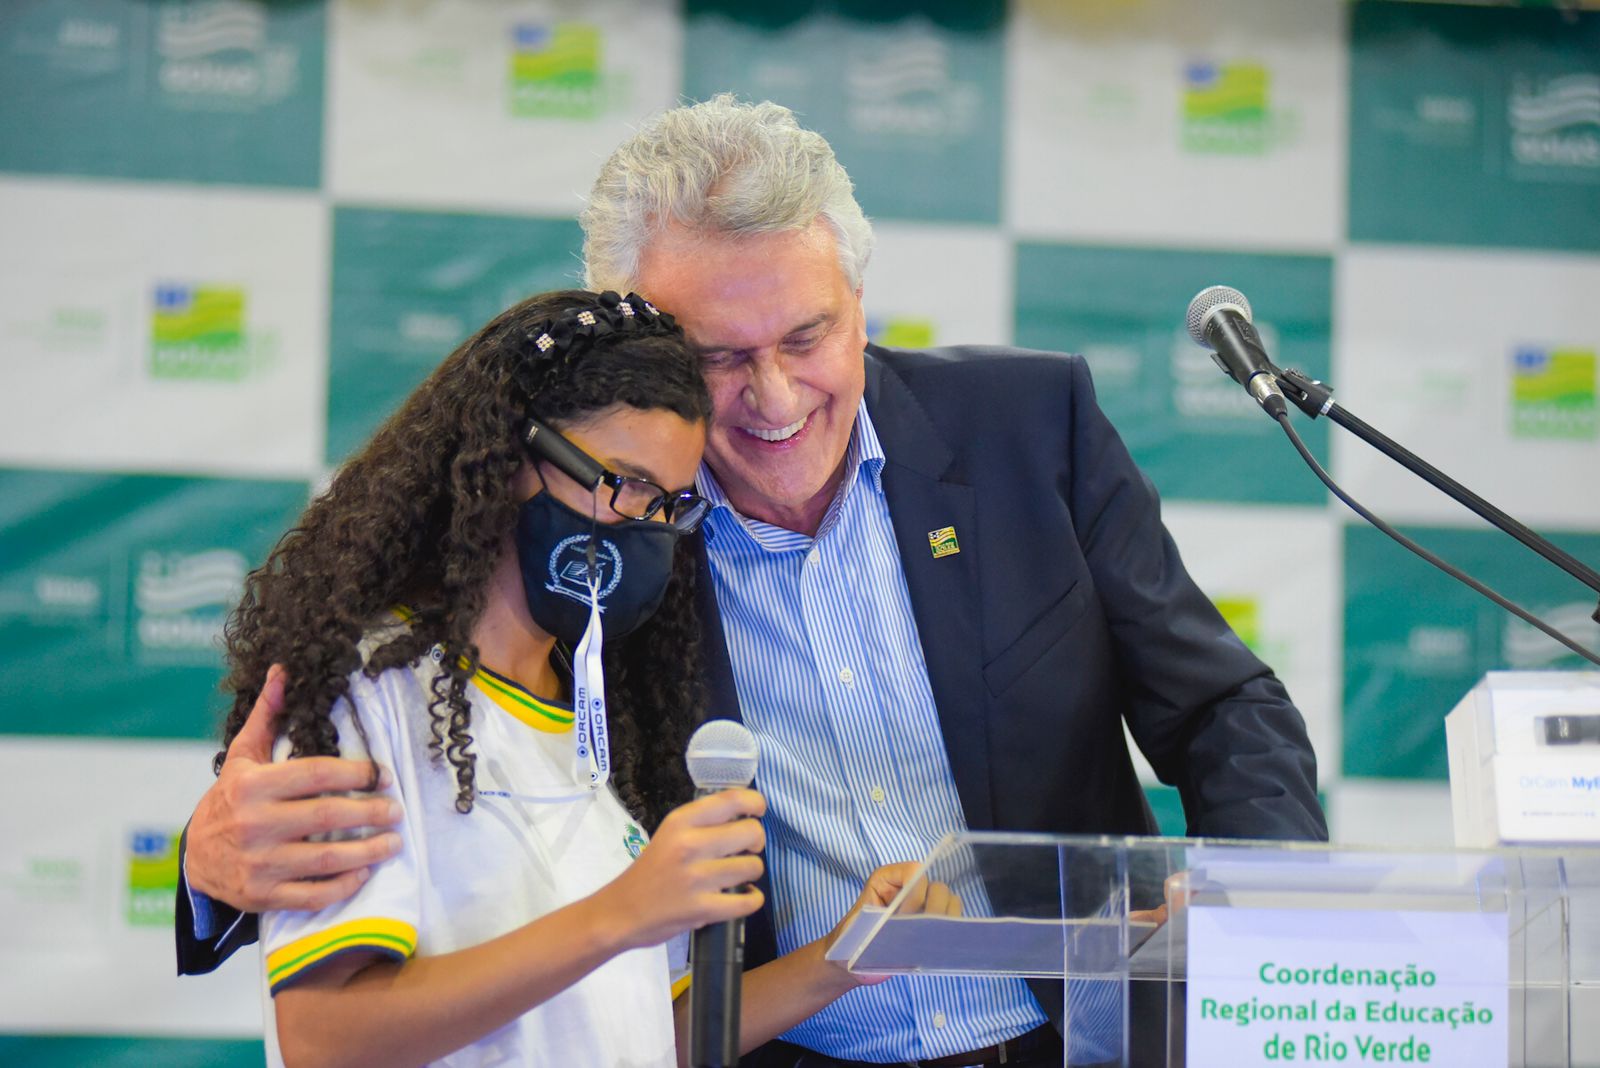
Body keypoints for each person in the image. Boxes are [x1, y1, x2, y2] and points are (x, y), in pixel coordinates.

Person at [180, 99, 1326, 1067]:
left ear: (859, 301)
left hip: (1081, 1040)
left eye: (806, 336)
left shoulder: (1033, 426)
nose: (774, 400)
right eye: (720, 358)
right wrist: (213, 867)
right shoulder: (600, 535)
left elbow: (1220, 703)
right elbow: (417, 736)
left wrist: (1258, 903)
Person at [211, 288, 923, 1067]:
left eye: (668, 505)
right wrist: (621, 912)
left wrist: (843, 958)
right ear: (511, 458)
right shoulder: (368, 692)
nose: (646, 527)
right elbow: (325, 1038)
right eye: (623, 482)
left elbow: (652, 1033)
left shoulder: (603, 714)